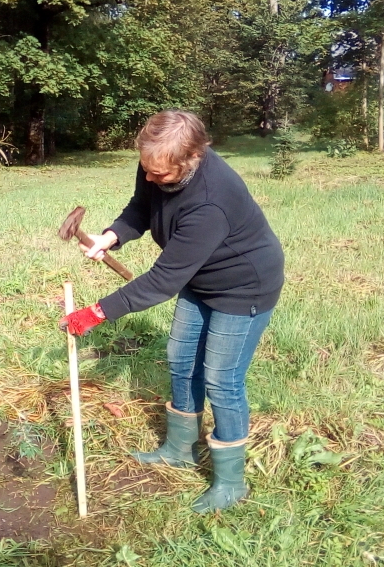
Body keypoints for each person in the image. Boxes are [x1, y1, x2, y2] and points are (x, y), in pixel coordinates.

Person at [59, 110, 285, 513]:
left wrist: (95, 313)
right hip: (200, 278)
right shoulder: (157, 163)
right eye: (146, 168)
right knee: (181, 360)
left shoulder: (211, 201)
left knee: (222, 379)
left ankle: (231, 484)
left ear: (192, 158)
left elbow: (162, 281)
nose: (149, 177)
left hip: (243, 287)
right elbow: (141, 208)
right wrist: (110, 237)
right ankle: (180, 448)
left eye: (159, 174)